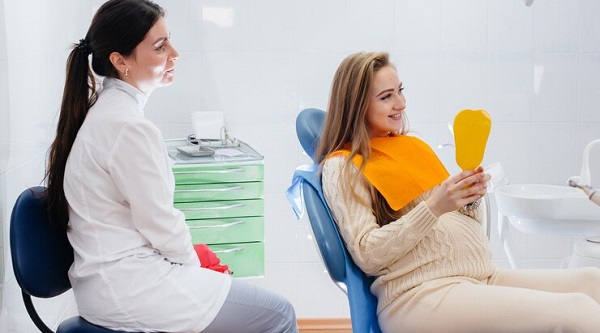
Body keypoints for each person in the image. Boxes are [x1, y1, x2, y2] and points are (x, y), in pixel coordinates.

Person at [44, 1, 297, 332]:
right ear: (120, 61)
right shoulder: (128, 126)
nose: (174, 53)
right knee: (279, 314)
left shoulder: (107, 111)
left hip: (110, 285)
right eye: (160, 46)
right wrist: (196, 267)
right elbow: (160, 222)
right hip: (133, 288)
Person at [316, 51, 600, 333]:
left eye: (400, 91)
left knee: (593, 283)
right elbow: (367, 254)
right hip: (419, 295)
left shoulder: (411, 147)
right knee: (576, 310)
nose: (401, 103)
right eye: (386, 96)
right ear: (356, 106)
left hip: (478, 278)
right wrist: (435, 207)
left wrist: (469, 199)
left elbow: (453, 224)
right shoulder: (343, 166)